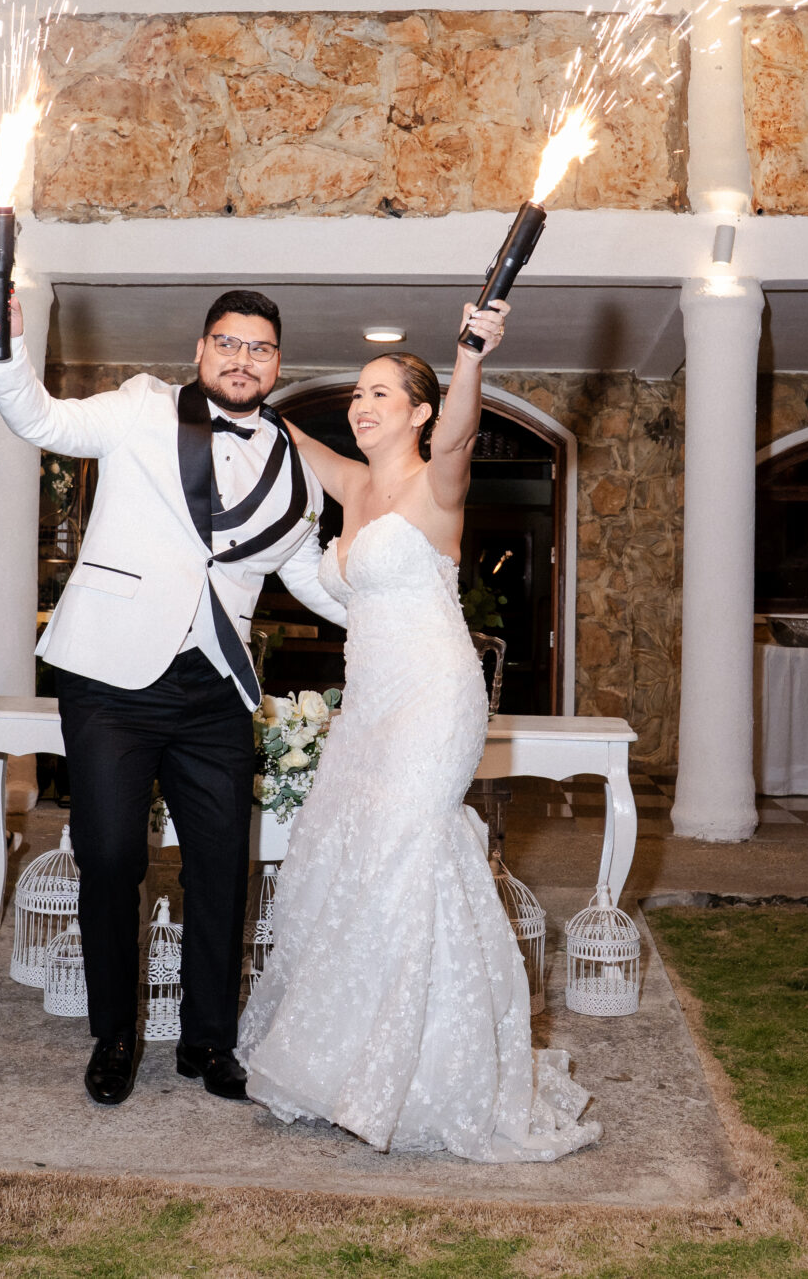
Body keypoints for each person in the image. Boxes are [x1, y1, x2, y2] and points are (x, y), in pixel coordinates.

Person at [238, 301, 601, 1162]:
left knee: (407, 852)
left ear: (419, 411)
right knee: (352, 859)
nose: (362, 405)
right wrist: (239, 390)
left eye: (381, 393)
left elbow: (464, 433)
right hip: (368, 704)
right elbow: (284, 437)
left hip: (435, 696)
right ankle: (347, 1060)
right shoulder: (353, 484)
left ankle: (417, 1074)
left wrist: (470, 355)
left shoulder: (438, 479)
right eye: (357, 393)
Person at [0, 287, 349, 1109]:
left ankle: (208, 1039)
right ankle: (114, 1034)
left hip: (217, 686)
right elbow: (41, 418)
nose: (242, 359)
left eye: (259, 348)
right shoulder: (141, 407)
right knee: (111, 855)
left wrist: (393, 609)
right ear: (200, 349)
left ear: (278, 364)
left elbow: (305, 574)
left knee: (222, 863)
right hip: (111, 675)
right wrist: (4, 350)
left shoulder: (296, 469)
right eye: (228, 342)